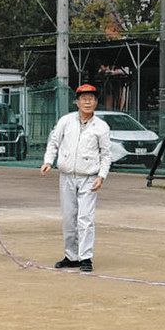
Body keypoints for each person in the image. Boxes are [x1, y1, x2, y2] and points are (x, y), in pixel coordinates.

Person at [41, 83, 111, 274]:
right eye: (83, 98)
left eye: (91, 99)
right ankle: (71, 256)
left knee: (85, 218)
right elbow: (54, 142)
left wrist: (101, 176)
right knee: (69, 217)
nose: (87, 102)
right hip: (66, 176)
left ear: (96, 102)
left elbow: (106, 154)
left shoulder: (101, 127)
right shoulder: (66, 121)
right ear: (77, 102)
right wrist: (48, 161)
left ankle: (85, 256)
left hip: (88, 177)